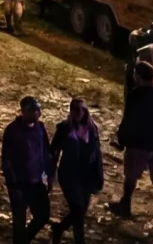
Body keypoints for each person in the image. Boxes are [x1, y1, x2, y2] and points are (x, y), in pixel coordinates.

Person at [112, 60, 153, 232]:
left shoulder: (135, 96)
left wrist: (120, 139)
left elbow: (128, 121)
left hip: (139, 144)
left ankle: (125, 204)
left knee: (131, 176)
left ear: (139, 76)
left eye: (135, 73)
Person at [51, 97, 103, 243]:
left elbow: (97, 155)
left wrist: (98, 178)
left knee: (80, 211)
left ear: (86, 111)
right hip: (69, 175)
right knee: (78, 210)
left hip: (86, 176)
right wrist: (50, 173)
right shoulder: (64, 128)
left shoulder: (92, 129)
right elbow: (54, 151)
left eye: (81, 109)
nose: (78, 112)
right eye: (74, 109)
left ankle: (59, 229)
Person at [3, 95, 53, 244]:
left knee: (43, 215)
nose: (37, 113)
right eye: (33, 110)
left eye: (38, 110)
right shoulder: (13, 131)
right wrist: (12, 184)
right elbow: (7, 159)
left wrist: (50, 175)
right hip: (19, 183)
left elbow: (46, 152)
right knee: (19, 222)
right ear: (24, 112)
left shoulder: (40, 128)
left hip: (36, 181)